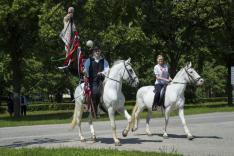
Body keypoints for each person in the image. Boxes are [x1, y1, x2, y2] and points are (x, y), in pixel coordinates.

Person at [83, 45, 109, 117]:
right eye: (96, 51)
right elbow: (86, 68)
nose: (97, 52)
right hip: (92, 81)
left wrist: (102, 72)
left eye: (98, 51)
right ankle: (94, 111)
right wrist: (85, 71)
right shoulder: (89, 60)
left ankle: (102, 107)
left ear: (100, 52)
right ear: (93, 52)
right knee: (95, 93)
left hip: (102, 80)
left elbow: (107, 70)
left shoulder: (104, 60)